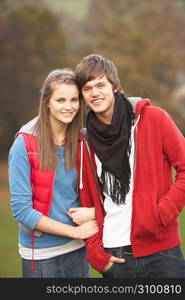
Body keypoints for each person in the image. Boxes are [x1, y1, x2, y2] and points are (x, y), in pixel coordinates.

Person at [72, 54, 185, 278]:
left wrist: (162, 213)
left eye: (101, 85)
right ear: (83, 96)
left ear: (114, 86)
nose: (95, 93)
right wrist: (97, 257)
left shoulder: (154, 119)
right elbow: (88, 202)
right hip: (115, 258)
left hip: (162, 253)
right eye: (87, 88)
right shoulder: (85, 143)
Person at [8, 68, 98, 278]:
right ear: (47, 101)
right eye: (61, 100)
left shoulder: (82, 141)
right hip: (42, 255)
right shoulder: (25, 143)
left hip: (79, 249)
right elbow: (21, 211)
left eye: (74, 100)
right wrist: (74, 232)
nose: (69, 107)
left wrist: (92, 215)